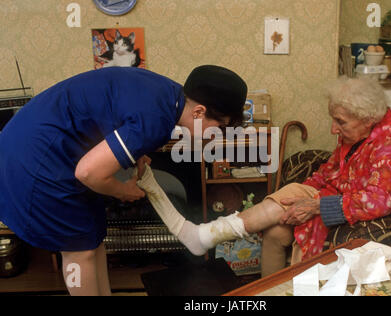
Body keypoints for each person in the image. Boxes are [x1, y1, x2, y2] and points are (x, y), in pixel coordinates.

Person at [140, 76, 391, 277]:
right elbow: (330, 172)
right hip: (342, 196)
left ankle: (205, 235)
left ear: (368, 118)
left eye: (340, 122)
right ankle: (271, 289)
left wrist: (314, 205)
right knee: (276, 231)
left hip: (383, 212)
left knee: (293, 206)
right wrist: (299, 194)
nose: (333, 130)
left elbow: (379, 201)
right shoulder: (356, 132)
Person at [0, 65, 247, 295]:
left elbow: (118, 114)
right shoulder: (157, 119)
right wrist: (122, 191)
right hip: (36, 161)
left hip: (43, 146)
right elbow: (88, 172)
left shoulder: (170, 94)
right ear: (199, 111)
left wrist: (135, 150)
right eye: (220, 127)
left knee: (93, 239)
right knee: (80, 249)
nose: (218, 136)